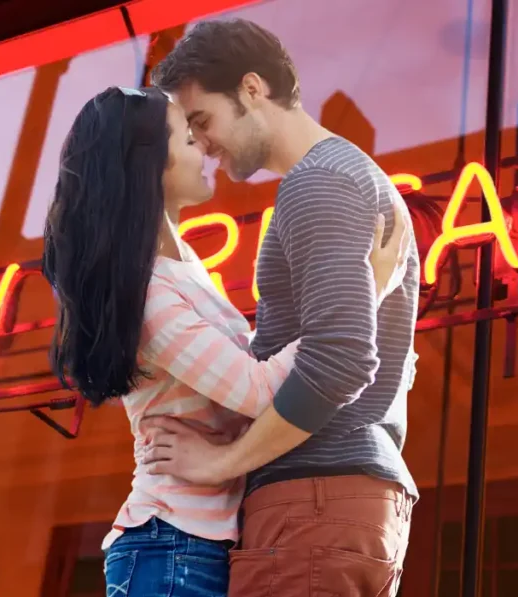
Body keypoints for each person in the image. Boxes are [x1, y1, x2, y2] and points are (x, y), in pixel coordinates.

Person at [41, 86, 410, 597]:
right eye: (188, 138)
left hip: (204, 543)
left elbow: (252, 368)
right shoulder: (152, 296)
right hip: (171, 547)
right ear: (149, 163)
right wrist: (360, 295)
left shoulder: (185, 267)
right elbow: (259, 390)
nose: (205, 149)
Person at [143, 19, 421, 597]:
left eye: (202, 120)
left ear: (251, 89)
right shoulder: (344, 177)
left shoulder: (319, 183)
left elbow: (341, 359)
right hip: (338, 501)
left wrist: (222, 463)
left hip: (313, 497)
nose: (203, 144)